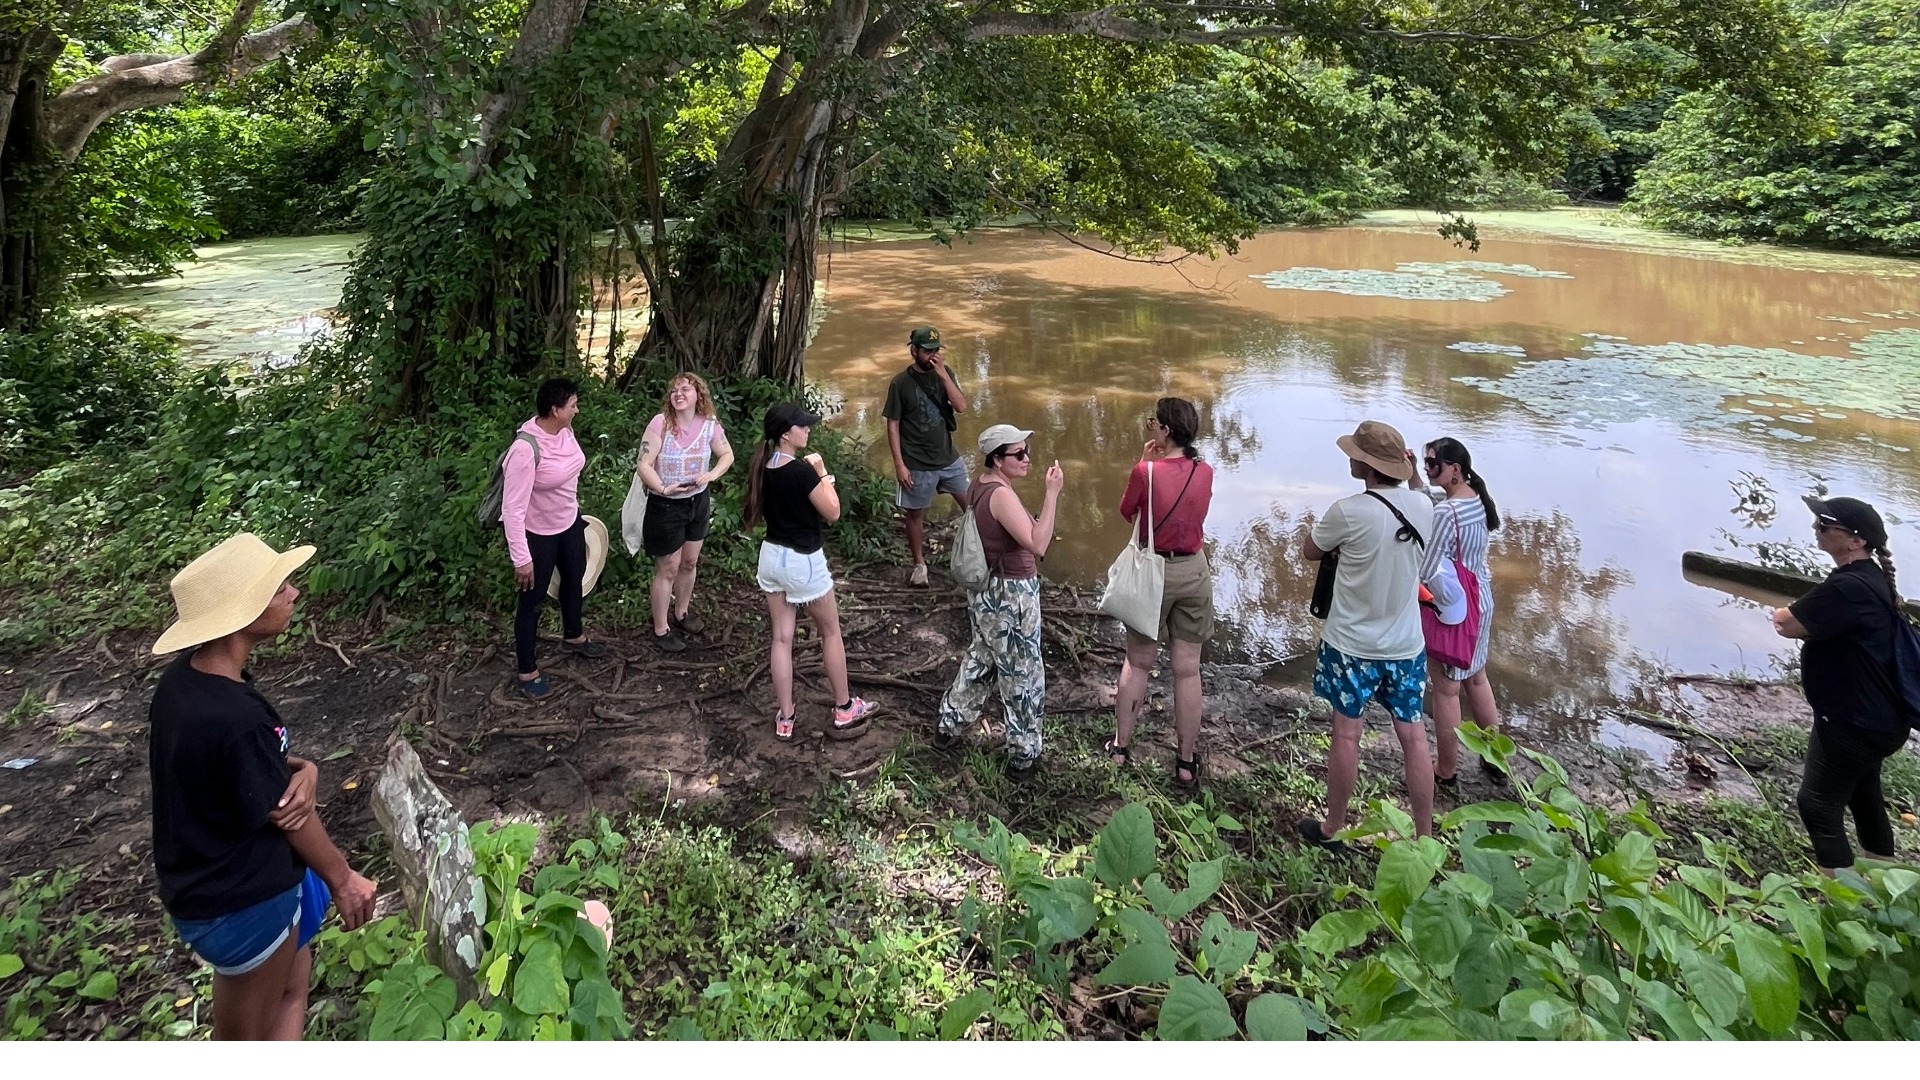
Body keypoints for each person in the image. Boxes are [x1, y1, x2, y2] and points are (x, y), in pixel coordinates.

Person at [148, 533, 378, 1040]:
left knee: (292, 992)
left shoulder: (182, 686)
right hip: (241, 903)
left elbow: (251, 768)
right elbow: (289, 813)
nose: (294, 594)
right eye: (279, 589)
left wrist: (308, 769)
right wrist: (343, 880)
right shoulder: (236, 716)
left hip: (225, 885)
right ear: (241, 614)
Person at [1298, 420, 1437, 849]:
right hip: (1405, 646)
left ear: (1366, 465)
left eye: (1356, 455)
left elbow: (1310, 550)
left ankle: (1333, 828)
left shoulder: (1349, 511)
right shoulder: (1424, 508)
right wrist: (1413, 471)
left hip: (1351, 646)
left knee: (1346, 734)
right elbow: (1421, 492)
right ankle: (1425, 837)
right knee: (1413, 737)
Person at [1771, 495, 1911, 875]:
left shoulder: (1849, 587)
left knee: (1816, 804)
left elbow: (1785, 622)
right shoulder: (1871, 579)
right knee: (1863, 794)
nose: (1816, 531)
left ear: (1855, 540)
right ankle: (1883, 883)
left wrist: (1789, 611)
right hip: (1878, 718)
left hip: (1853, 722)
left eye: (1824, 526)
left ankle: (1843, 904)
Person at [933, 424, 1065, 780]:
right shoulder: (1001, 496)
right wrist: (1052, 494)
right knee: (1023, 674)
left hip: (987, 593)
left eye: (1027, 452)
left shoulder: (980, 484)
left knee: (983, 659)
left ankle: (949, 724)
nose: (1027, 459)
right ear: (997, 459)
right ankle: (1023, 758)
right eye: (1018, 454)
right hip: (1010, 597)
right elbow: (1038, 545)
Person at [743, 402, 877, 741]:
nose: (808, 430)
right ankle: (845, 708)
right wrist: (820, 471)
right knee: (830, 632)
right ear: (786, 434)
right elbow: (833, 512)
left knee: (781, 639)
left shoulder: (766, 466)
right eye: (802, 426)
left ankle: (785, 717)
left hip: (772, 558)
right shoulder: (802, 471)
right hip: (803, 561)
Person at [1105, 398, 1216, 789]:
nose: (1151, 427)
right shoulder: (1205, 471)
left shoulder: (1145, 470)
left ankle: (1120, 748)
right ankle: (1186, 762)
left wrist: (1142, 464)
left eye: (1154, 422)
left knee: (1138, 662)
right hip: (1194, 571)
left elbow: (1127, 511)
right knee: (1187, 669)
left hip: (1153, 572)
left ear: (1166, 431)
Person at [500, 377, 608, 699]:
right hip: (538, 535)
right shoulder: (525, 450)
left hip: (569, 523)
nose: (577, 409)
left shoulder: (565, 432)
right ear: (555, 409)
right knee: (531, 604)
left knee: (574, 582)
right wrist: (522, 558)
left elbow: (569, 474)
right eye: (572, 405)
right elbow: (513, 509)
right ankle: (527, 670)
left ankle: (574, 636)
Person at [1419, 437, 1504, 789]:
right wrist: (1414, 477)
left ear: (1454, 469)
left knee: (1446, 690)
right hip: (1481, 598)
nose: (1428, 469)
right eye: (1426, 463)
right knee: (1477, 678)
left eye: (1433, 465)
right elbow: (1432, 497)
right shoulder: (1477, 501)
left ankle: (1447, 769)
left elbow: (1426, 566)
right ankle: (1496, 759)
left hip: (1455, 608)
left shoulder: (1446, 512)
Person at [634, 372, 735, 653]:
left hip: (697, 502)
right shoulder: (660, 424)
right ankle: (660, 628)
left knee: (689, 562)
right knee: (668, 567)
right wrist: (664, 489)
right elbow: (643, 464)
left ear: (698, 396)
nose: (679, 394)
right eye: (674, 390)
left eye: (686, 389)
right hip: (665, 505)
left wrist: (712, 474)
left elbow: (727, 455)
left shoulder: (709, 425)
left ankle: (682, 612)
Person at [883, 326, 970, 587]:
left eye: (936, 350)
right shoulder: (900, 383)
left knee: (974, 507)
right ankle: (919, 564)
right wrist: (900, 464)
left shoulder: (945, 373)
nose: (933, 355)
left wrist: (944, 377)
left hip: (948, 458)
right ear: (914, 351)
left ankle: (979, 554)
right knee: (914, 514)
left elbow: (962, 407)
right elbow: (893, 425)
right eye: (927, 350)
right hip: (917, 463)